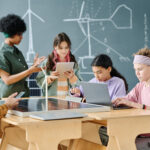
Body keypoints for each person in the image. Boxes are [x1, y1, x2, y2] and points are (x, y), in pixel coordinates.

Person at [0, 14, 45, 98]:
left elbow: (23, 75)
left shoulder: (17, 52)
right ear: (11, 33)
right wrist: (29, 71)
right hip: (9, 100)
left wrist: (33, 66)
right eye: (19, 34)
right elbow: (7, 80)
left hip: (23, 96)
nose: (22, 37)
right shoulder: (1, 53)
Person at [36, 32, 82, 96]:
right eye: (61, 48)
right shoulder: (47, 62)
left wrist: (73, 77)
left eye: (66, 48)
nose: (64, 51)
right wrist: (50, 78)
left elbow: (80, 85)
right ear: (55, 47)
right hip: (51, 100)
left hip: (68, 101)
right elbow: (39, 82)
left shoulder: (73, 63)